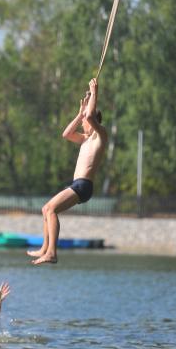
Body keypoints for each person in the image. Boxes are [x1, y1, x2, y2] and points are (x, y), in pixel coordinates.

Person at [28, 77, 108, 265]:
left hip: (84, 185)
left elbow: (90, 117)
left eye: (85, 121)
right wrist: (80, 114)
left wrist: (95, 93)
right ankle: (45, 248)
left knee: (51, 209)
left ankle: (52, 253)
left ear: (94, 121)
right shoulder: (86, 139)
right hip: (77, 184)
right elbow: (66, 134)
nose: (83, 123)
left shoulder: (101, 136)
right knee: (46, 209)